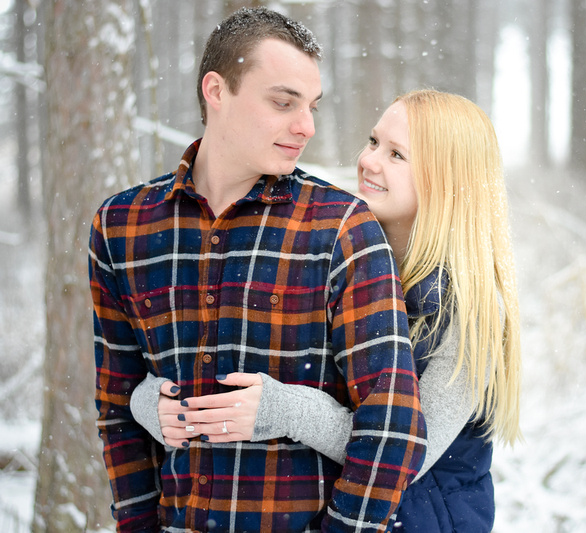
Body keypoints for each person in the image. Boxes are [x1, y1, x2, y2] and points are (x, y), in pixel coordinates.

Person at [88, 8, 426, 532]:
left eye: (312, 106)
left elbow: (393, 426)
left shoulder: (341, 227)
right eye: (283, 102)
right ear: (217, 91)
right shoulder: (121, 226)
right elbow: (116, 408)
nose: (306, 126)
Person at [131, 89, 522, 532]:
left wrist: (289, 411)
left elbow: (405, 455)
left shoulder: (470, 314)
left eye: (397, 155)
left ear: (448, 182)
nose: (369, 161)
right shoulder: (341, 258)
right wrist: (154, 401)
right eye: (374, 142)